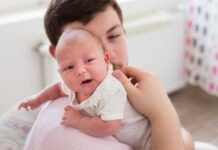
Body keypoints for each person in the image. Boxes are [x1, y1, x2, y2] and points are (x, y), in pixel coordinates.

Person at [24, 0, 195, 149]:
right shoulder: (71, 138)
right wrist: (162, 112)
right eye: (86, 43)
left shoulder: (97, 88)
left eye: (114, 35)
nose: (108, 54)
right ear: (57, 53)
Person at [19, 28, 151, 150]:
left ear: (105, 60)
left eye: (89, 60)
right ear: (60, 73)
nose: (80, 71)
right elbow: (57, 89)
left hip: (147, 140)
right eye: (69, 67)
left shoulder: (110, 90)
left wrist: (79, 121)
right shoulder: (74, 87)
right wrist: (36, 101)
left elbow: (110, 126)